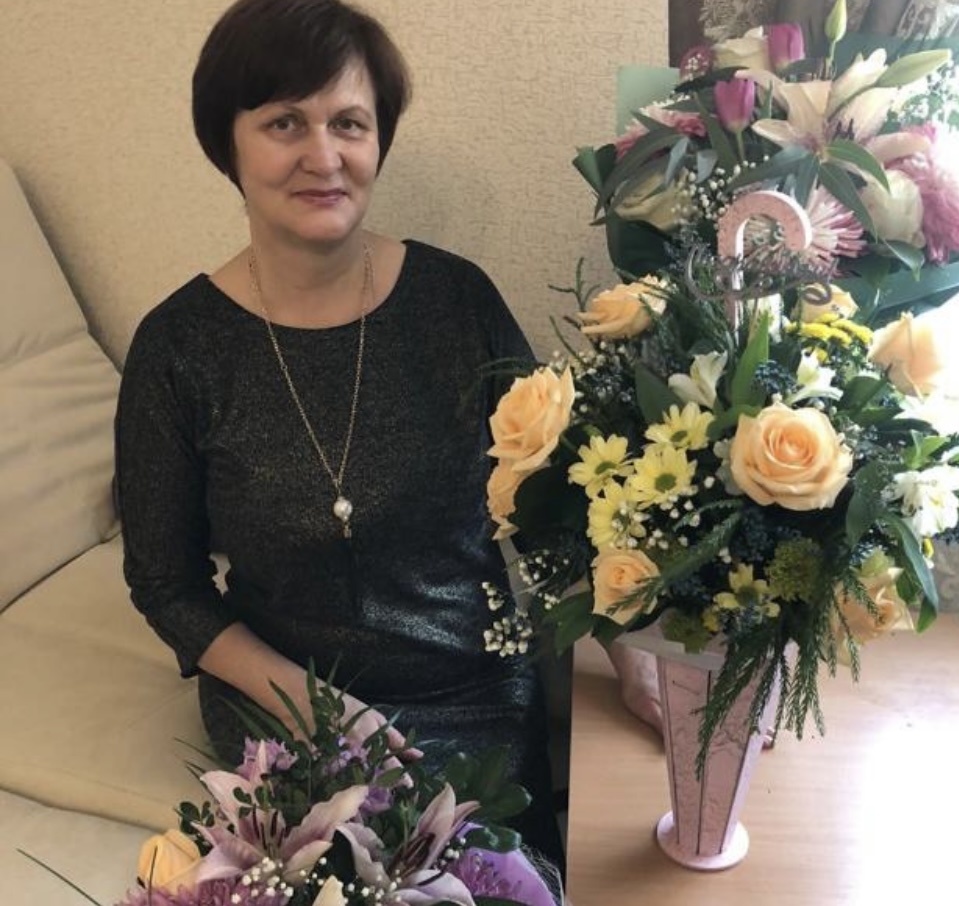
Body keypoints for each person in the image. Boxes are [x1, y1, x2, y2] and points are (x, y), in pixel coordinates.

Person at [114, 0, 565, 871]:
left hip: (472, 686)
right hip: (287, 705)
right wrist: (320, 707)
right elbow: (165, 585)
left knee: (506, 882)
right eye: (285, 122)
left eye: (348, 123)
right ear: (227, 143)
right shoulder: (178, 348)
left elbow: (554, 499)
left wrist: (639, 653)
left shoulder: (456, 300)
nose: (323, 157)